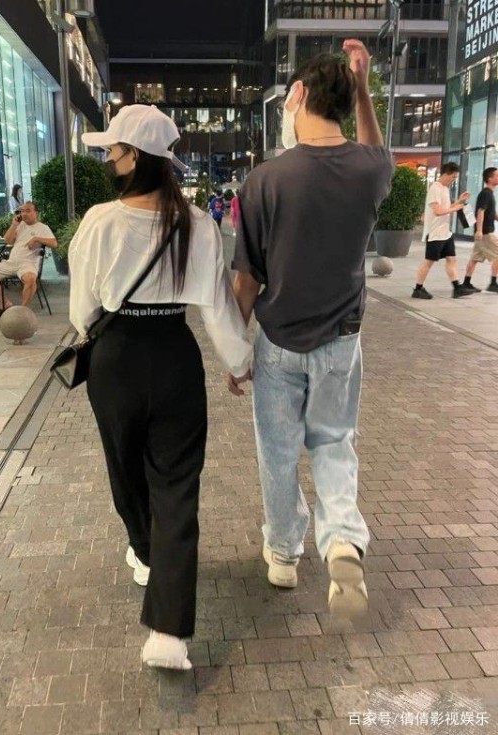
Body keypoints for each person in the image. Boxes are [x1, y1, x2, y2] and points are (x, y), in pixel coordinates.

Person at [69, 104, 252, 670]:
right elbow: (217, 306)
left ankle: (148, 554)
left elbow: (83, 310)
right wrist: (239, 362)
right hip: (175, 354)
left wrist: (92, 330)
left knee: (124, 471)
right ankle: (168, 632)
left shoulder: (100, 221)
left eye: (112, 151)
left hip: (116, 358)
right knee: (176, 486)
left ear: (133, 157)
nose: (107, 159)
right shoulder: (197, 223)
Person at [229, 40, 394, 618]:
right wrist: (364, 87)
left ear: (297, 95)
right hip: (341, 341)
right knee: (334, 442)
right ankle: (342, 541)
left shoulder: (264, 180)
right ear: (348, 103)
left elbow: (246, 281)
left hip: (278, 342)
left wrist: (234, 353)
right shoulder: (371, 172)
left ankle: (282, 554)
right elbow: (374, 148)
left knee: (277, 453)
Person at [0, 202, 56, 316]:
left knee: (30, 279)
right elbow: (8, 241)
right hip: (11, 262)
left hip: (28, 264)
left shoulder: (43, 228)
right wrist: (14, 225)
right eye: (22, 211)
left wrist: (36, 239)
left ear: (36, 213)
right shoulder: (19, 226)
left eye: (28, 211)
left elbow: (54, 243)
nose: (24, 213)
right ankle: (5, 303)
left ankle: (22, 311)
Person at [412, 162, 473, 300]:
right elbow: (438, 211)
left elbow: (447, 208)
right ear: (445, 174)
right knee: (428, 262)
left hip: (445, 232)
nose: (454, 180)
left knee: (452, 259)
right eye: (453, 177)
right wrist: (455, 209)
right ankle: (418, 289)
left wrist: (459, 201)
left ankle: (457, 288)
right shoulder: (435, 188)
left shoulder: (445, 189)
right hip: (435, 233)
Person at [463, 167, 498, 294]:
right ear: (490, 178)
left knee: (475, 258)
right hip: (485, 233)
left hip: (482, 233)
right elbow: (480, 211)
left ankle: (466, 283)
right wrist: (479, 230)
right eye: (497, 175)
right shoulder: (486, 193)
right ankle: (493, 284)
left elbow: (491, 212)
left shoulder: (489, 193)